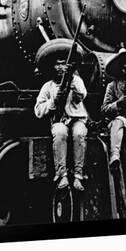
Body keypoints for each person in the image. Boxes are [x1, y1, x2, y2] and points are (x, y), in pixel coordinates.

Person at [34, 39, 87, 191]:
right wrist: (52, 102)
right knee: (59, 132)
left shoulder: (76, 80)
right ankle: (62, 175)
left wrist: (70, 82)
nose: (59, 67)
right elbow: (38, 109)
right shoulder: (48, 86)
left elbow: (82, 95)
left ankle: (78, 176)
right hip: (59, 121)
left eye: (63, 64)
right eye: (57, 64)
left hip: (77, 120)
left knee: (79, 134)